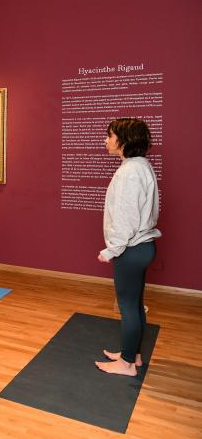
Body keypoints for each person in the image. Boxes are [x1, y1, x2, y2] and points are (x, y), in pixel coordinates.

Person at [95, 118, 161, 376]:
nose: (106, 140)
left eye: (109, 135)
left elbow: (126, 218)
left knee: (128, 306)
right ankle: (133, 354)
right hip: (141, 247)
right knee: (134, 304)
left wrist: (111, 250)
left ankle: (126, 364)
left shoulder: (129, 172)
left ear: (123, 140)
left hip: (131, 249)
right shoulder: (140, 166)